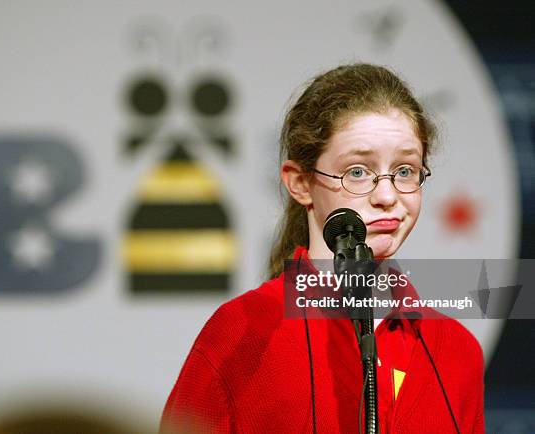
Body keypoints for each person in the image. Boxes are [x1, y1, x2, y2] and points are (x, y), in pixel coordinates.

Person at [160, 63, 484, 434]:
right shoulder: (242, 334)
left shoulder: (457, 351)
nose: (387, 195)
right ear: (299, 183)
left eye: (405, 171)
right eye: (358, 171)